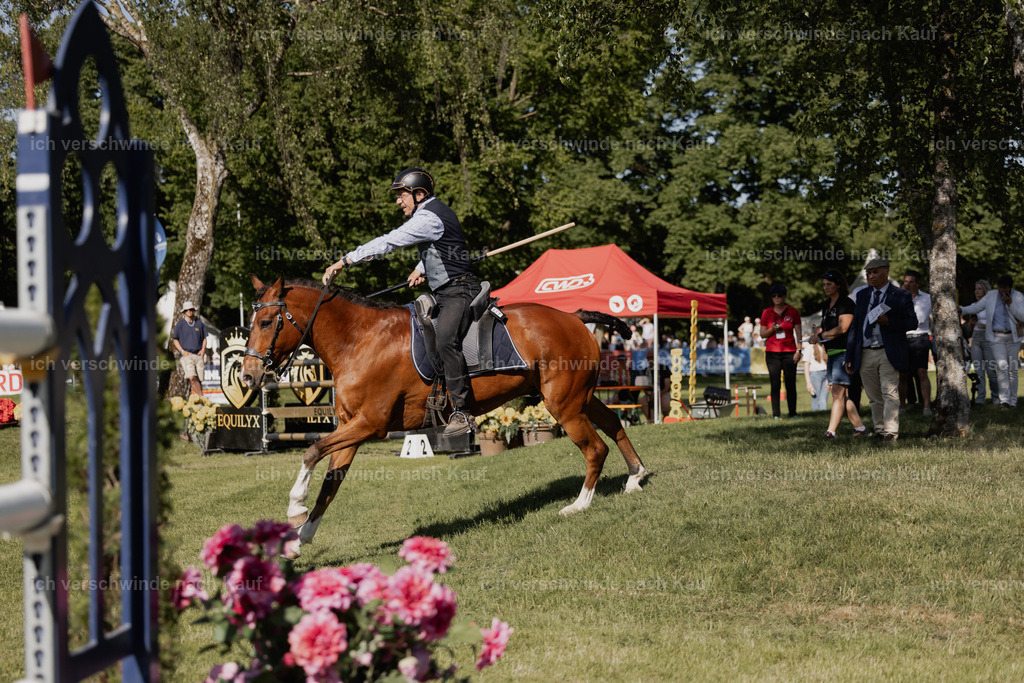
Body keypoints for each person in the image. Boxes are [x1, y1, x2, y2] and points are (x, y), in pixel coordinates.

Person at [323, 167, 481, 436]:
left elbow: (389, 242)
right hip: (445, 291)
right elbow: (442, 246)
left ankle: (463, 412)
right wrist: (422, 267)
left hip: (459, 291)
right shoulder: (432, 213)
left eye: (401, 195)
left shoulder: (427, 217)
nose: (398, 201)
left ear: (419, 194)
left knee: (445, 340)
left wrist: (345, 260)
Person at [846, 257, 918, 441]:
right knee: (873, 395)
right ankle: (879, 430)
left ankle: (891, 432)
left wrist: (889, 321)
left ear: (886, 272)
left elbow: (912, 322)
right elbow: (855, 326)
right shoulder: (862, 295)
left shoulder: (900, 295)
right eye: (868, 273)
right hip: (865, 351)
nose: (871, 276)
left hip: (888, 350)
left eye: (875, 272)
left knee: (889, 392)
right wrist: (850, 355)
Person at [808, 271, 867, 439]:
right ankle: (861, 428)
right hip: (832, 354)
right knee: (841, 395)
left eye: (829, 284)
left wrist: (820, 335)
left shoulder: (846, 303)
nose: (825, 287)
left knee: (837, 394)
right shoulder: (826, 304)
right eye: (824, 285)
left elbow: (843, 328)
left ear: (839, 285)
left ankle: (831, 432)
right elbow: (828, 329)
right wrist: (818, 334)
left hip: (844, 353)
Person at [960, 275, 1024, 408]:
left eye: (1004, 288)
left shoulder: (1018, 296)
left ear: (1010, 288)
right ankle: (1004, 400)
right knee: (1001, 367)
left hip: (1013, 337)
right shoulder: (991, 295)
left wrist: (1010, 303)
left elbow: (1022, 316)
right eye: (1000, 288)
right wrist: (961, 309)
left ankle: (1013, 401)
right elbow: (976, 308)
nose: (1002, 291)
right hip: (996, 336)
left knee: (1012, 369)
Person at [759, 284, 802, 419]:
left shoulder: (793, 311)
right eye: (774, 296)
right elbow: (762, 334)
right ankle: (776, 414)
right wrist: (772, 329)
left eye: (779, 295)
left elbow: (799, 334)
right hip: (772, 352)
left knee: (790, 383)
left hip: (790, 351)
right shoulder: (767, 312)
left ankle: (793, 413)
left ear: (784, 296)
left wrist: (799, 350)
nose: (776, 298)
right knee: (775, 383)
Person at [899, 269, 933, 416]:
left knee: (922, 372)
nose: (907, 285)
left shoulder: (926, 298)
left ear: (917, 284)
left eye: (911, 282)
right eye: (905, 282)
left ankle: (926, 406)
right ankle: (902, 406)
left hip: (920, 337)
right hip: (903, 338)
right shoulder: (897, 297)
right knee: (903, 374)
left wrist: (899, 320)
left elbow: (919, 319)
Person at [965, 280, 999, 404]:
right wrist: (971, 323)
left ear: (985, 290)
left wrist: (985, 326)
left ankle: (996, 396)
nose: (976, 291)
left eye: (979, 288)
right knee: (979, 371)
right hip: (976, 338)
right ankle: (980, 398)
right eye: (976, 288)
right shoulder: (974, 305)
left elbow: (998, 324)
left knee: (991, 371)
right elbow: (970, 325)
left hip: (988, 338)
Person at [172, 301, 207, 396]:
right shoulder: (180, 324)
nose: (189, 311)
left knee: (199, 379)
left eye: (191, 309)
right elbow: (175, 340)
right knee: (192, 378)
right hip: (186, 356)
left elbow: (204, 338)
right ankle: (202, 398)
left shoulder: (200, 323)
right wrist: (181, 351)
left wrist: (203, 350)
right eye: (186, 310)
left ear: (193, 310)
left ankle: (199, 401)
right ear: (184, 312)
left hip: (198, 355)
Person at [802, 340, 828, 411]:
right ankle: (815, 413)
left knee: (823, 399)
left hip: (826, 373)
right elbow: (806, 365)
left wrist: (829, 378)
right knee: (815, 398)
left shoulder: (825, 346)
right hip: (815, 374)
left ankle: (823, 414)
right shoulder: (809, 347)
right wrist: (808, 383)